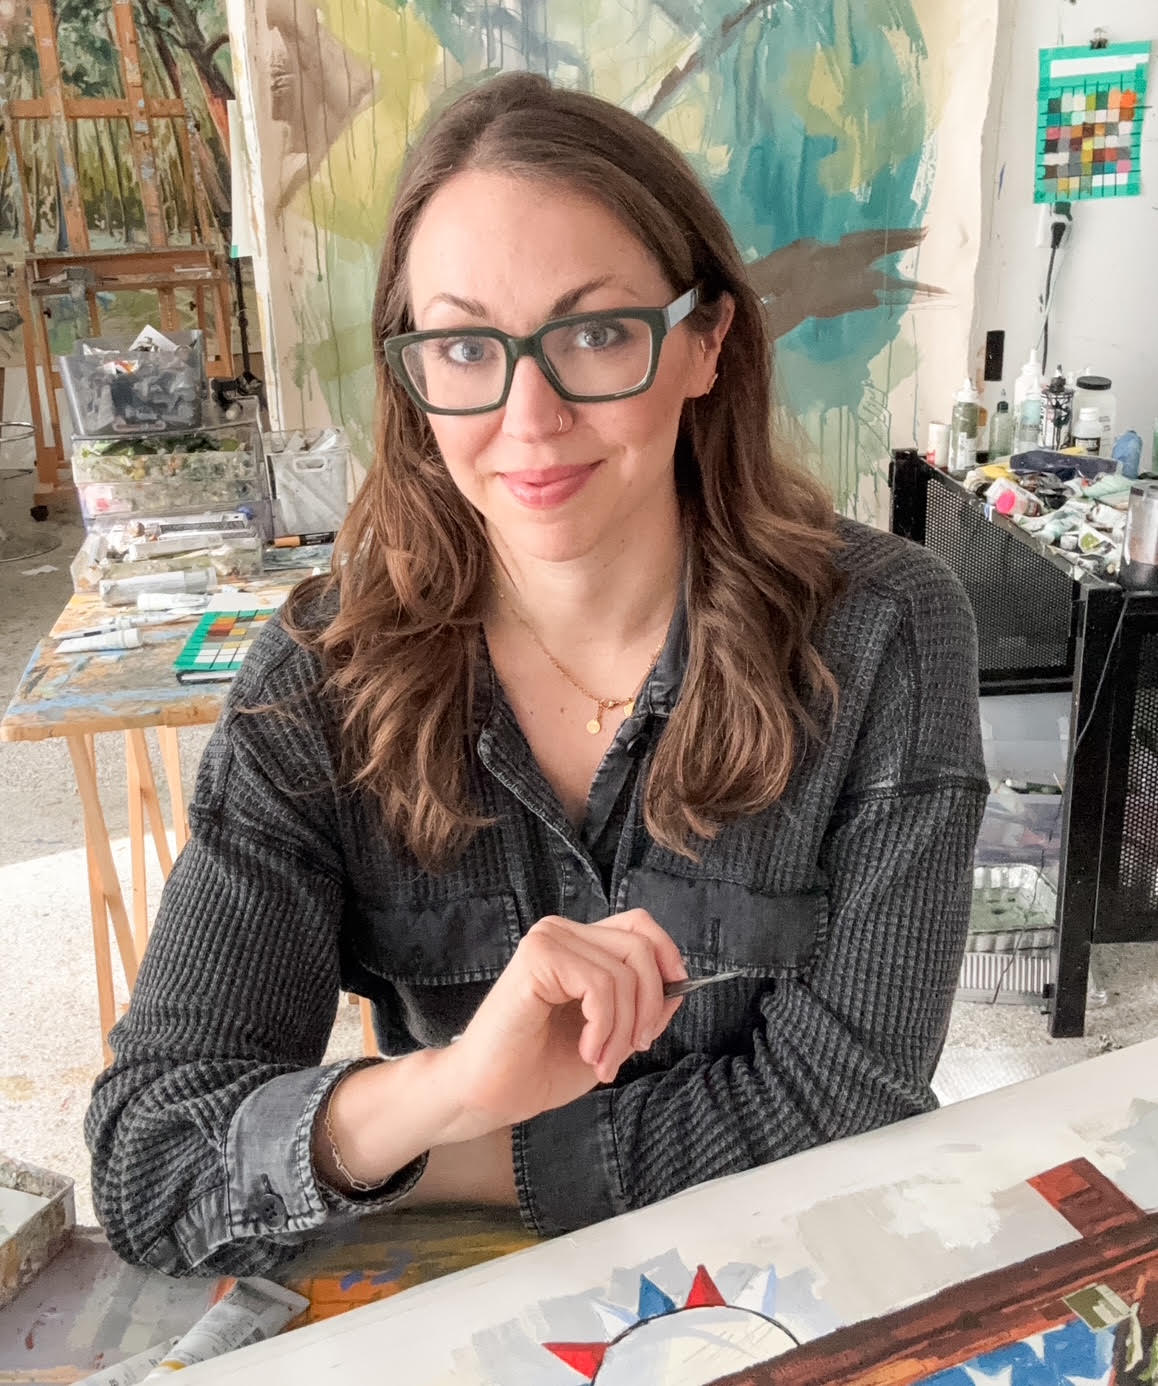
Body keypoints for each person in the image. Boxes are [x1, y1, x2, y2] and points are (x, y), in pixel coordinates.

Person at [86, 73, 987, 1278]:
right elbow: (151, 1161)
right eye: (465, 346)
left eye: (597, 333)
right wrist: (449, 1086)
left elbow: (851, 1106)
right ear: (415, 371)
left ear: (704, 342)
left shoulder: (882, 635)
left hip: (787, 1287)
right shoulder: (316, 684)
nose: (529, 415)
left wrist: (449, 1147)